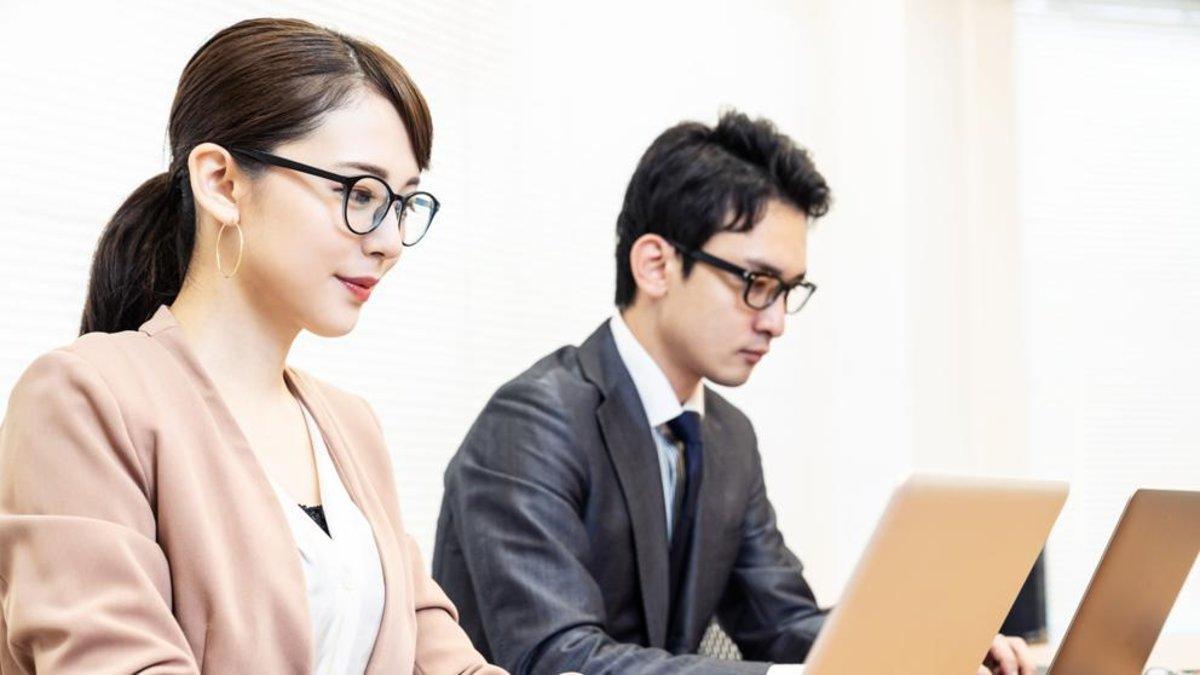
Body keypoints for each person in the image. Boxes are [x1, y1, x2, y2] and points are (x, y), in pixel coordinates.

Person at [431, 111, 1036, 675]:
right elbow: (558, 657)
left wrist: (927, 650)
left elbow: (782, 623)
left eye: (788, 290)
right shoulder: (534, 422)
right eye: (756, 283)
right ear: (656, 265)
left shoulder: (727, 435)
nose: (775, 320)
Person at [0, 18, 504, 674]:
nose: (388, 241)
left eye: (404, 205)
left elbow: (433, 648)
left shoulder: (351, 426)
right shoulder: (83, 396)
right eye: (360, 193)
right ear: (221, 182)